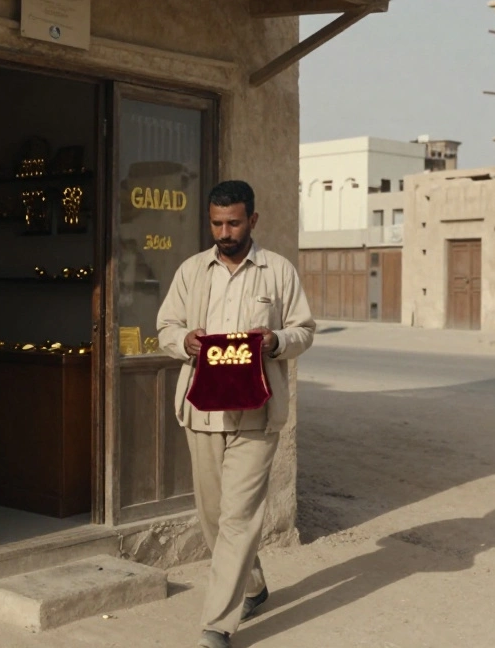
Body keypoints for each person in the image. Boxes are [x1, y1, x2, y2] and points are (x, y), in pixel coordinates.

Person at [157, 180, 316, 648]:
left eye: (234, 222)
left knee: (239, 517)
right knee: (212, 514)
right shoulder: (192, 271)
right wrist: (184, 340)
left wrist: (276, 341)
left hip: (256, 412)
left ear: (253, 221)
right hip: (202, 411)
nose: (225, 232)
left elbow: (304, 330)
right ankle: (253, 585)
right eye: (217, 223)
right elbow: (166, 324)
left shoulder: (278, 272)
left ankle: (217, 626)